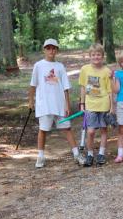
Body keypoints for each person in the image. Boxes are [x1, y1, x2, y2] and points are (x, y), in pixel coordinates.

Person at [28, 39, 85, 168]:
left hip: (59, 104)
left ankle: (76, 154)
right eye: (48, 48)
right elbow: (33, 84)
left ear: (57, 50)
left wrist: (67, 104)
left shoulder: (60, 66)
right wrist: (31, 101)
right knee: (43, 130)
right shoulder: (39, 65)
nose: (51, 51)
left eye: (53, 48)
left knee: (67, 128)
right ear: (44, 50)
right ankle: (41, 156)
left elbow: (65, 87)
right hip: (44, 105)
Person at [79, 43, 114, 167]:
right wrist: (82, 103)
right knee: (91, 131)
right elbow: (83, 87)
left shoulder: (107, 71)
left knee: (104, 129)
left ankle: (101, 154)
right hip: (90, 104)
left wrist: (112, 107)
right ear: (90, 56)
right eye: (93, 55)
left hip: (104, 104)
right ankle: (89, 154)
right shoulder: (85, 69)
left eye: (98, 55)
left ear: (102, 56)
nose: (96, 57)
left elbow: (110, 90)